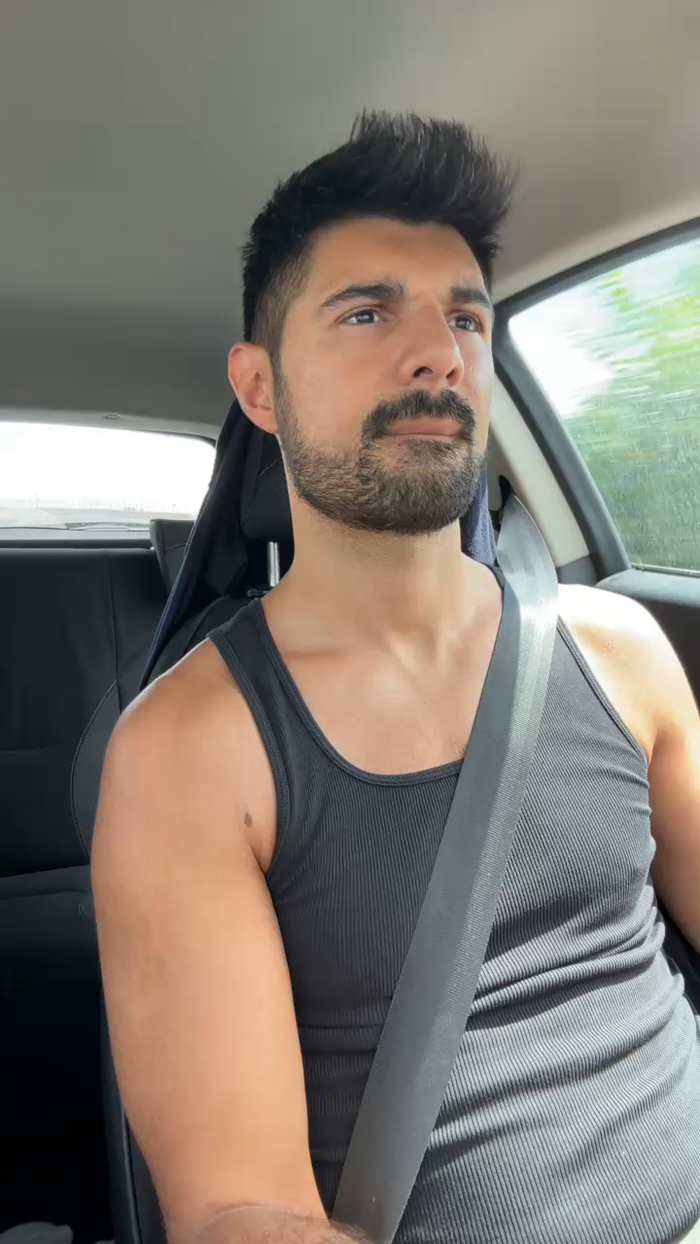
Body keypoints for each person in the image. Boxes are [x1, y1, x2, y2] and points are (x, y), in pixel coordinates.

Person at [92, 112, 700, 1244]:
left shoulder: (620, 651)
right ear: (259, 388)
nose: (439, 354)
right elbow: (240, 1208)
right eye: (367, 313)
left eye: (465, 318)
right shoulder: (188, 750)